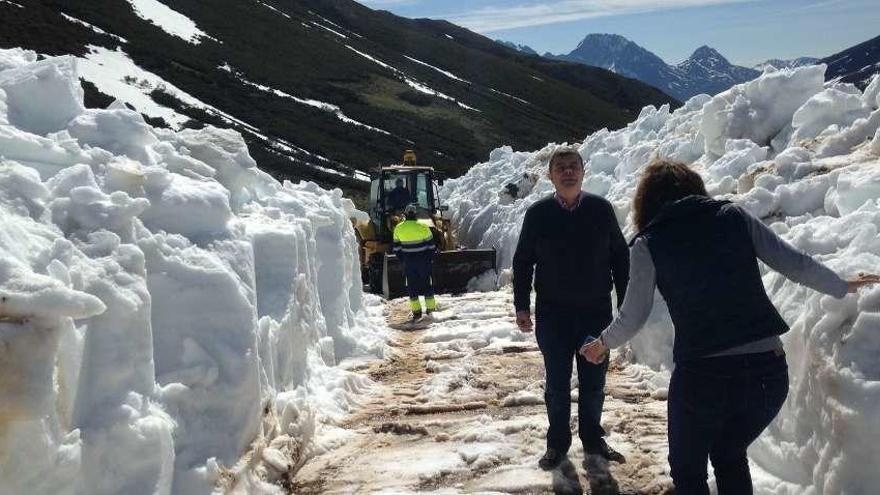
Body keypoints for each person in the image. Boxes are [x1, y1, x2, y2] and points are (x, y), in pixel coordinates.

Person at [579, 159, 880, 495]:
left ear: (646, 202)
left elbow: (633, 316)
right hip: (768, 373)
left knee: (688, 470)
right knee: (729, 453)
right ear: (694, 187)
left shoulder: (648, 242)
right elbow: (794, 263)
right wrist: (841, 284)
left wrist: (603, 343)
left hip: (702, 377)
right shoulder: (732, 216)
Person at [512, 147, 630, 470]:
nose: (568, 172)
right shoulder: (537, 215)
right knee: (557, 385)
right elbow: (523, 262)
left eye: (573, 166)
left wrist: (626, 303)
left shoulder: (601, 210)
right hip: (553, 315)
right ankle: (557, 444)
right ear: (550, 176)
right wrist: (522, 305)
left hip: (595, 314)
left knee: (594, 384)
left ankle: (593, 439)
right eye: (560, 167)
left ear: (583, 171)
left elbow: (620, 257)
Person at [392, 203, 437, 320]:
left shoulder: (398, 228)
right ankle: (430, 310)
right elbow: (431, 247)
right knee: (427, 285)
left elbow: (397, 249)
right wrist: (428, 258)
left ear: (405, 215)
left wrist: (404, 260)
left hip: (409, 263)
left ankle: (417, 312)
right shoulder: (424, 227)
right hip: (423, 262)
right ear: (416, 214)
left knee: (412, 287)